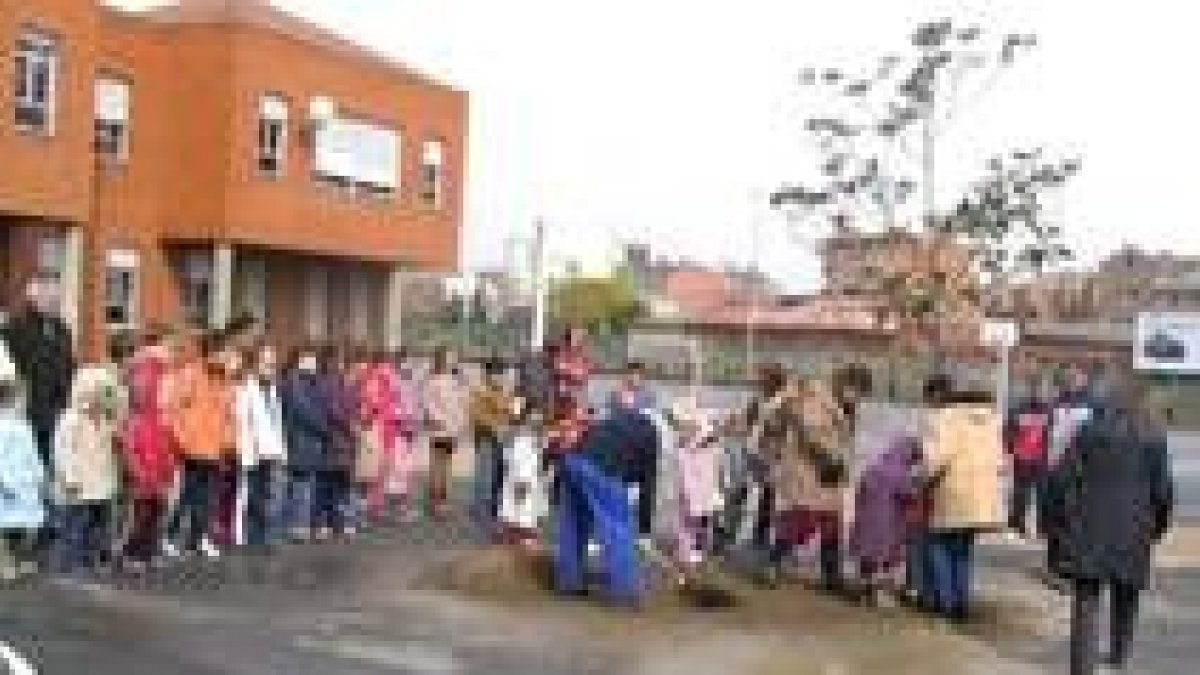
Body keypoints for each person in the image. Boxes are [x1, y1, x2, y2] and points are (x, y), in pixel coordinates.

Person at [1047, 372, 1174, 674]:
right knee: (1127, 593)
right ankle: (1119, 654)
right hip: (1135, 526)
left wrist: (1058, 521)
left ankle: (1081, 665)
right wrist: (1159, 526)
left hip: (1088, 525)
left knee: (1086, 599)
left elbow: (1062, 480)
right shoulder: (1153, 435)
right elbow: (1163, 489)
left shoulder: (1086, 432)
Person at [918, 379, 1004, 622]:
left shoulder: (944, 418)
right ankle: (961, 602)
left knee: (939, 545)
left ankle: (945, 603)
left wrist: (919, 477)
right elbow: (1000, 460)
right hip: (982, 498)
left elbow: (937, 458)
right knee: (963, 550)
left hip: (953, 492)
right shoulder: (992, 421)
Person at [550, 402, 644, 604]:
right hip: (598, 468)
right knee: (619, 528)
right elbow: (646, 484)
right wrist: (645, 529)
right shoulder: (649, 438)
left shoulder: (606, 424)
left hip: (571, 462)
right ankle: (624, 591)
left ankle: (568, 582)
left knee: (573, 523)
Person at [163, 332, 236, 558]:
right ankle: (170, 537)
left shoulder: (223, 379)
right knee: (188, 494)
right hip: (193, 448)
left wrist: (228, 442)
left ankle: (198, 539)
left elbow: (228, 414)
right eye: (223, 351)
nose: (227, 356)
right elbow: (173, 410)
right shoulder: (191, 375)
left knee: (207, 497)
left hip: (214, 448)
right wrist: (183, 440)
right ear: (211, 352)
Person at [52, 366, 123, 574]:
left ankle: (90, 558)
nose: (101, 399)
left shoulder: (103, 420)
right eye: (98, 394)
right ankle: (69, 561)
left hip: (100, 482)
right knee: (74, 523)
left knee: (97, 523)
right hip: (79, 483)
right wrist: (70, 478)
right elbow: (63, 451)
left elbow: (108, 449)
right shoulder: (71, 420)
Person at [119, 327, 179, 570]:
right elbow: (141, 398)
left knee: (157, 508)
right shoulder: (146, 368)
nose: (170, 351)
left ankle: (148, 552)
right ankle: (132, 554)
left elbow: (165, 405)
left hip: (157, 439)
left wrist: (169, 463)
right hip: (146, 443)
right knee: (142, 509)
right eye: (167, 346)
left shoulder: (161, 372)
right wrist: (137, 467)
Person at [2, 275, 76, 465]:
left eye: (57, 296)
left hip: (59, 413)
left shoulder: (62, 330)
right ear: (33, 296)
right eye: (50, 296)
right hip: (28, 413)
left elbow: (69, 367)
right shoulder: (15, 329)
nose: (55, 301)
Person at [849, 435, 921, 606]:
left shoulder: (871, 469)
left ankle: (863, 594)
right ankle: (881, 596)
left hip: (865, 521)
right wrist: (918, 487)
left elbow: (860, 493)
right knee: (887, 560)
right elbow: (908, 496)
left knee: (867, 559)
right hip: (889, 523)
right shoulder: (900, 473)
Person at [234, 343, 288, 548]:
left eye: (272, 363)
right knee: (249, 495)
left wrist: (281, 449)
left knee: (267, 495)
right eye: (265, 362)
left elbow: (277, 421)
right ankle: (244, 536)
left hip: (270, 450)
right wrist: (249, 449)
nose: (269, 366)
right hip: (253, 451)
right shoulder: (245, 388)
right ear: (255, 363)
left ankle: (263, 535)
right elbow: (242, 421)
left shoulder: (272, 389)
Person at [280, 346, 335, 542]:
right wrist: (325, 428)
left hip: (311, 441)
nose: (312, 362)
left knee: (305, 485)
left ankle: (302, 524)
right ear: (299, 360)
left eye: (313, 358)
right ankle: (296, 526)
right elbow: (305, 413)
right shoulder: (292, 384)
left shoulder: (312, 382)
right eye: (307, 358)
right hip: (300, 440)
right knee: (300, 484)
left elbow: (326, 406)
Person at [0, 360, 46, 583]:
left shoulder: (24, 426)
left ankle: (21, 560)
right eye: (21, 400)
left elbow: (32, 452)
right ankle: (5, 564)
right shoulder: (3, 427)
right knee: (5, 528)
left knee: (24, 525)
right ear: (8, 401)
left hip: (25, 481)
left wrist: (39, 474)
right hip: (7, 482)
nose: (24, 404)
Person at [668, 401, 723, 583]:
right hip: (690, 494)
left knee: (701, 525)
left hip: (704, 492)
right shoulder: (682, 449)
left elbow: (714, 473)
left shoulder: (710, 446)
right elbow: (684, 476)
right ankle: (686, 563)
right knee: (686, 526)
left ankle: (695, 559)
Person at [469, 358, 515, 528]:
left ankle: (495, 509)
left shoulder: (506, 392)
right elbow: (477, 416)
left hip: (503, 439)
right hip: (486, 438)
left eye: (501, 374)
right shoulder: (480, 391)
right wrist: (495, 427)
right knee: (484, 475)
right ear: (487, 375)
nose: (499, 377)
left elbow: (511, 413)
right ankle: (480, 509)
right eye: (495, 374)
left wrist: (510, 421)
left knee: (499, 475)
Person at [1004, 383, 1053, 539]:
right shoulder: (1019, 410)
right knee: (1022, 494)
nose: (1036, 395)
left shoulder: (1048, 412)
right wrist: (1012, 449)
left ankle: (1040, 526)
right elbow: (1008, 431)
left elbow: (1051, 434)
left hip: (1039, 459)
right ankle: (1017, 524)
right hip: (1024, 458)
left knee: (1041, 495)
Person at [424, 347, 468, 519]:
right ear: (442, 360)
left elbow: (461, 404)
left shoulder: (454, 380)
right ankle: (436, 502)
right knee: (438, 466)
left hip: (450, 429)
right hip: (440, 429)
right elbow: (428, 404)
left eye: (453, 358)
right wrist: (440, 420)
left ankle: (442, 501)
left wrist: (460, 425)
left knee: (446, 466)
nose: (451, 361)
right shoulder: (433, 380)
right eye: (450, 358)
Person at [497, 408, 548, 546]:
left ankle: (516, 532)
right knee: (520, 510)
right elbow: (520, 472)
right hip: (521, 504)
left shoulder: (530, 439)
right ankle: (517, 535)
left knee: (519, 510)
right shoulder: (523, 441)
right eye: (535, 420)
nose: (539, 422)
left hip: (524, 495)